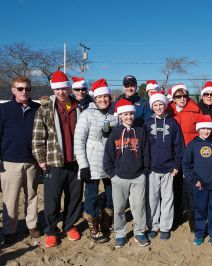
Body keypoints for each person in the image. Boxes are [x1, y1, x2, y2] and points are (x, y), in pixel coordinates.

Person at [32, 70, 83, 248]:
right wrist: (41, 159)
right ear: (53, 90)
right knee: (52, 199)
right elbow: (38, 137)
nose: (61, 92)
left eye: (64, 88)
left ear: (69, 88)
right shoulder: (45, 109)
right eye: (57, 89)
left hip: (76, 161)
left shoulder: (79, 107)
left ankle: (69, 225)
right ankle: (51, 230)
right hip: (54, 162)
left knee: (74, 197)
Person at [74, 79, 118, 243]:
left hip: (111, 163)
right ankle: (93, 225)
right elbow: (79, 141)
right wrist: (83, 165)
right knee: (91, 196)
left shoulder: (115, 115)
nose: (103, 100)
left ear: (109, 97)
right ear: (95, 98)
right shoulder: (87, 115)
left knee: (110, 195)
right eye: (99, 97)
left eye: (105, 97)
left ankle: (107, 220)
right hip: (92, 162)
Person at [103, 98, 150, 248]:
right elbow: (108, 156)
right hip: (119, 177)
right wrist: (112, 175)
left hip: (138, 177)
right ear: (120, 116)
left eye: (131, 114)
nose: (129, 117)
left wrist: (145, 171)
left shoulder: (141, 132)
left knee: (139, 206)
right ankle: (121, 233)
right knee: (119, 208)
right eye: (125, 114)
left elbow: (146, 153)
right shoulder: (115, 133)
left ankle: (139, 232)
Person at [0, 76, 41, 243]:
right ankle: (10, 230)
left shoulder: (38, 108)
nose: (24, 92)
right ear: (13, 90)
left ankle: (32, 225)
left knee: (32, 195)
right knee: (11, 197)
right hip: (10, 161)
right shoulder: (4, 109)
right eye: (20, 88)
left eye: (27, 88)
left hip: (33, 161)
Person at [144, 92, 184, 240]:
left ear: (165, 105)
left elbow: (179, 146)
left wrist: (176, 165)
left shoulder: (173, 123)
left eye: (161, 104)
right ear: (152, 107)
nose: (159, 107)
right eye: (155, 105)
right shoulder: (147, 123)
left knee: (168, 198)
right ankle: (153, 225)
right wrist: (146, 165)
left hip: (169, 168)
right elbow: (144, 147)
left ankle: (165, 226)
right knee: (152, 198)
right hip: (152, 168)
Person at [167, 83, 201, 230]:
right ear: (173, 98)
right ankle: (175, 218)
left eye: (184, 96)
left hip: (190, 155)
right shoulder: (168, 111)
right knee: (174, 188)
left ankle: (193, 220)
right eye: (178, 96)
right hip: (173, 155)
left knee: (190, 187)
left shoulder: (195, 111)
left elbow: (202, 133)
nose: (182, 99)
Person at [182, 115, 212, 246]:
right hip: (200, 184)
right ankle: (199, 234)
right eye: (203, 128)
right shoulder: (192, 145)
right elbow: (186, 165)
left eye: (208, 129)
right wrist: (194, 180)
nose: (206, 131)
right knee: (200, 209)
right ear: (199, 129)